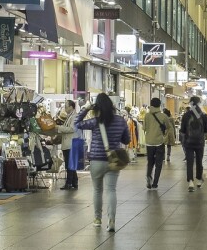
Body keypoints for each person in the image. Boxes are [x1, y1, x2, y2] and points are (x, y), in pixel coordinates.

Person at [75, 93, 132, 232]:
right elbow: (126, 140)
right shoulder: (120, 121)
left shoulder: (95, 121)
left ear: (97, 107)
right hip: (114, 160)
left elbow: (76, 123)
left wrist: (86, 108)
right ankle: (111, 220)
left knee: (97, 190)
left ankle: (97, 219)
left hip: (96, 160)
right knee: (111, 190)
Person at [180, 96, 207, 192]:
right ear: (199, 103)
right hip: (199, 142)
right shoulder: (203, 115)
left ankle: (190, 182)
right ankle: (199, 180)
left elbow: (183, 130)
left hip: (188, 142)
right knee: (199, 161)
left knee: (189, 162)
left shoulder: (186, 115)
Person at [144, 98, 174, 190]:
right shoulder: (163, 116)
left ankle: (149, 176)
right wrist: (164, 136)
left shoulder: (147, 116)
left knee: (150, 162)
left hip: (149, 142)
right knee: (159, 163)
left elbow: (144, 128)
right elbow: (169, 127)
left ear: (151, 105)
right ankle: (155, 183)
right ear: (159, 105)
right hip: (159, 142)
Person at [56, 100, 81, 190]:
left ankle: (69, 183)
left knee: (69, 165)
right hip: (68, 143)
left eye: (66, 106)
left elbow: (71, 129)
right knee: (70, 165)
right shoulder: (69, 116)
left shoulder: (74, 116)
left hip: (71, 143)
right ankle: (74, 182)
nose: (65, 108)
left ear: (71, 107)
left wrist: (59, 127)